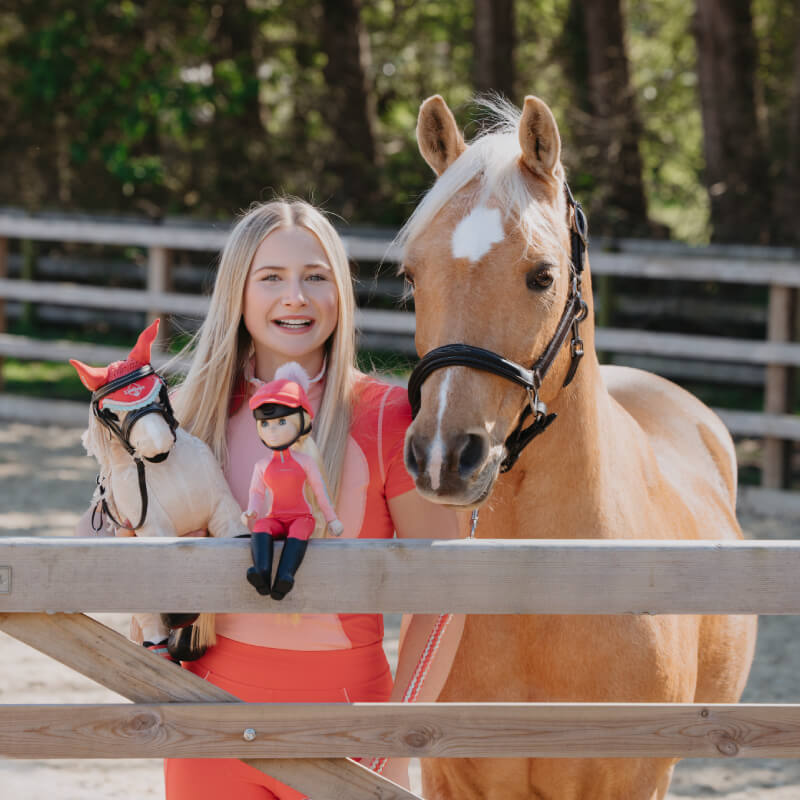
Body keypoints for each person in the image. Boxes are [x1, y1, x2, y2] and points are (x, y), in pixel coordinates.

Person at [147, 198, 463, 798]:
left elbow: (447, 595)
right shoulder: (186, 420)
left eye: (315, 277)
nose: (296, 296)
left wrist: (396, 740)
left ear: (339, 294)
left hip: (351, 726)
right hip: (209, 724)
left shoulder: (386, 418)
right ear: (238, 293)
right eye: (271, 278)